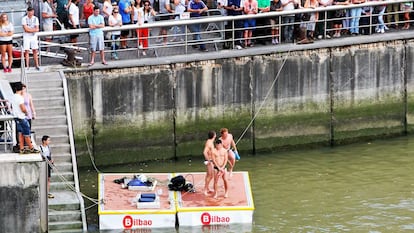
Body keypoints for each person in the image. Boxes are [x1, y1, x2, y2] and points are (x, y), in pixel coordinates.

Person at [9, 82, 40, 154]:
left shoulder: (13, 96)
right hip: (22, 117)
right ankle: (31, 148)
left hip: (16, 117)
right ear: (21, 89)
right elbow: (23, 108)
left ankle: (21, 148)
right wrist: (26, 112)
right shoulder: (20, 98)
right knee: (26, 133)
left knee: (20, 133)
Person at [202, 130, 216, 195]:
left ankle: (207, 188)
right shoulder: (209, 143)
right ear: (214, 135)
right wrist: (209, 160)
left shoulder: (211, 142)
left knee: (208, 175)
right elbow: (204, 152)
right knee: (210, 175)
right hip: (210, 161)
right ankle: (205, 189)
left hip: (211, 160)